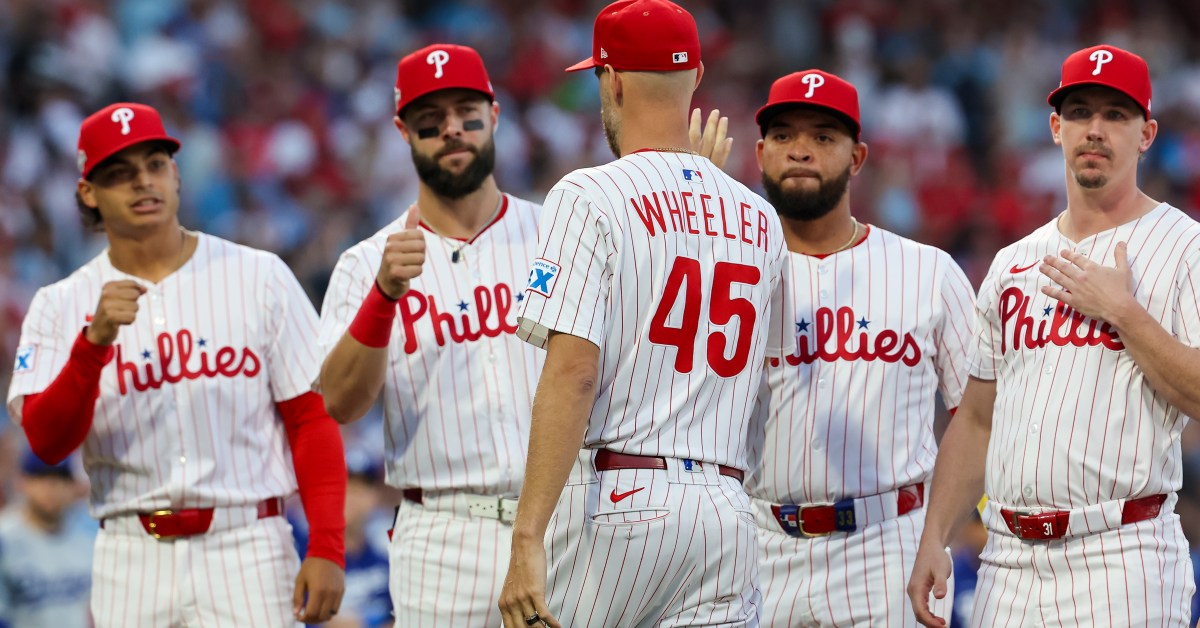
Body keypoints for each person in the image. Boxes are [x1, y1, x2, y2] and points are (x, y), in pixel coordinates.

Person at [497, 1, 795, 626]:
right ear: (696, 78)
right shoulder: (760, 218)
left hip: (619, 499)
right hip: (724, 509)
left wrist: (527, 535)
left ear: (614, 80)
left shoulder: (588, 194)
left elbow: (574, 372)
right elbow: (766, 382)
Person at [5, 102, 347, 626]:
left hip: (248, 545)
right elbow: (48, 442)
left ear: (176, 173)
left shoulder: (259, 276)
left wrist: (326, 544)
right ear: (87, 193)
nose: (143, 182)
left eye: (155, 164)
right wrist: (92, 346)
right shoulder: (60, 305)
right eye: (121, 174)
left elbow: (310, 417)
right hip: (130, 553)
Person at [908, 44, 1200, 627]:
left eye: (1115, 115)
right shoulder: (1014, 263)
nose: (1095, 130)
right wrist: (934, 534)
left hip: (1123, 555)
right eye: (1080, 113)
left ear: (1146, 134)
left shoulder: (1185, 247)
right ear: (1055, 127)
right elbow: (977, 418)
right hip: (1007, 563)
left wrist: (1125, 312)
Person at [317, 43, 544, 625]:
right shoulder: (366, 262)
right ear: (403, 130)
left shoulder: (556, 235)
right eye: (430, 119)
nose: (450, 129)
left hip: (557, 522)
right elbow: (339, 403)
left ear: (493, 115)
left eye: (465, 111)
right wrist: (383, 296)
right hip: (442, 536)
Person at [740, 69, 974, 627]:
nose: (801, 150)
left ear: (857, 157)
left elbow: (980, 417)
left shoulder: (928, 271)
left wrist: (941, 535)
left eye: (823, 137)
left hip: (888, 545)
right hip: (757, 544)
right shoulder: (732, 274)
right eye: (784, 135)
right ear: (760, 153)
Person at [0, 451, 94, 628]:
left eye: (61, 479)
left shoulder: (89, 536)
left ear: (74, 486)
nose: (52, 487)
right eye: (41, 477)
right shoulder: (4, 538)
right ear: (22, 482)